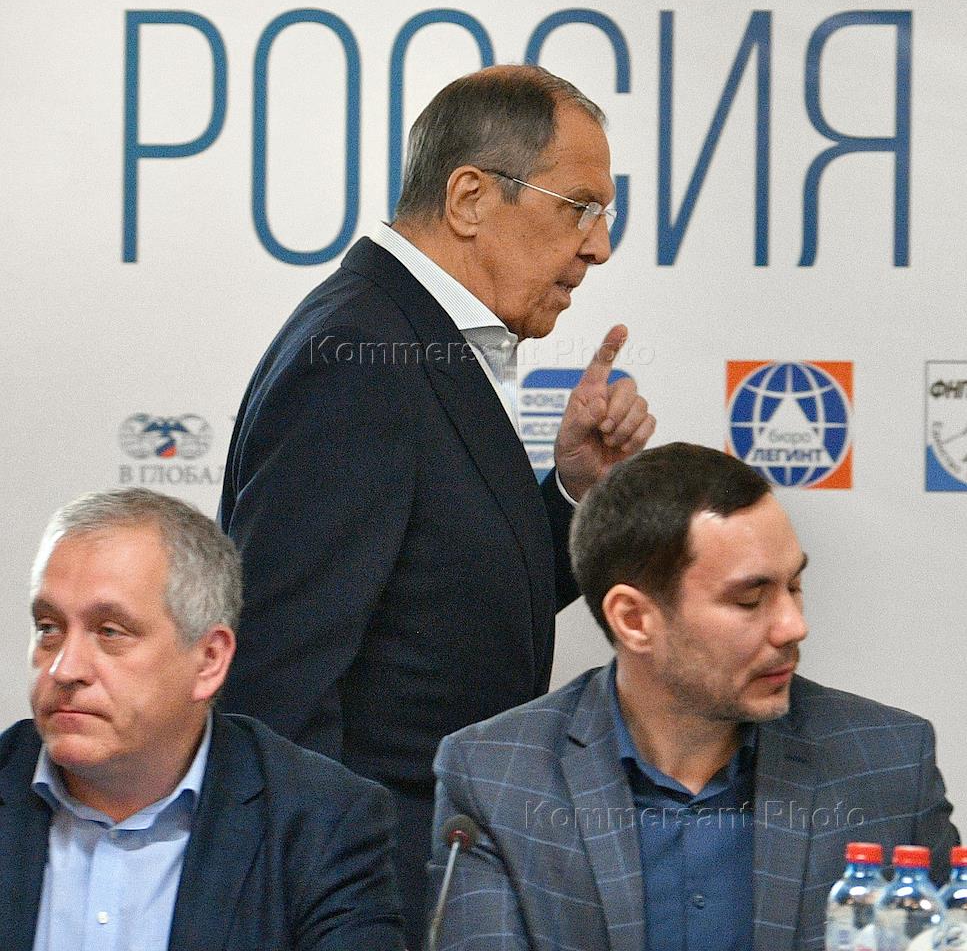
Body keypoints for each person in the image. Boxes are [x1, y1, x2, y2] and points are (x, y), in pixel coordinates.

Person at [219, 65, 656, 944]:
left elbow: (438, 600)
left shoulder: (409, 335)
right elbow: (280, 677)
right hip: (368, 897)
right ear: (469, 199)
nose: (599, 247)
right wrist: (335, 912)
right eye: (580, 207)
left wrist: (572, 489)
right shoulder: (359, 356)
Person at [431, 443, 959, 951]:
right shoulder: (497, 778)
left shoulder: (887, 763)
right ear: (634, 620)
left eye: (794, 587)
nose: (793, 626)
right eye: (750, 599)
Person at [3, 487, 403, 951]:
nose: (64, 668)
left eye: (110, 632)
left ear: (209, 660)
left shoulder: (320, 824)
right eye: (49, 629)